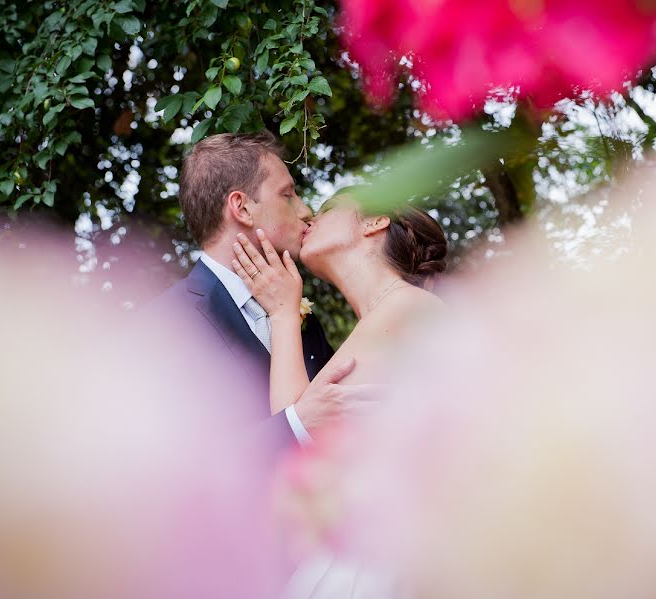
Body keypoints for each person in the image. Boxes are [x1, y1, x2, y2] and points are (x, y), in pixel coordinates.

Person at [229, 188, 448, 598]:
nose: (309, 214)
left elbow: (297, 429)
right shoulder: (387, 318)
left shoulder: (410, 307)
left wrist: (281, 313)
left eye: (328, 208)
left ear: (373, 222)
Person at [148, 131, 375, 453]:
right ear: (241, 208)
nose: (306, 209)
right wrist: (295, 425)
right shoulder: (165, 325)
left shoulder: (300, 318)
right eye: (288, 194)